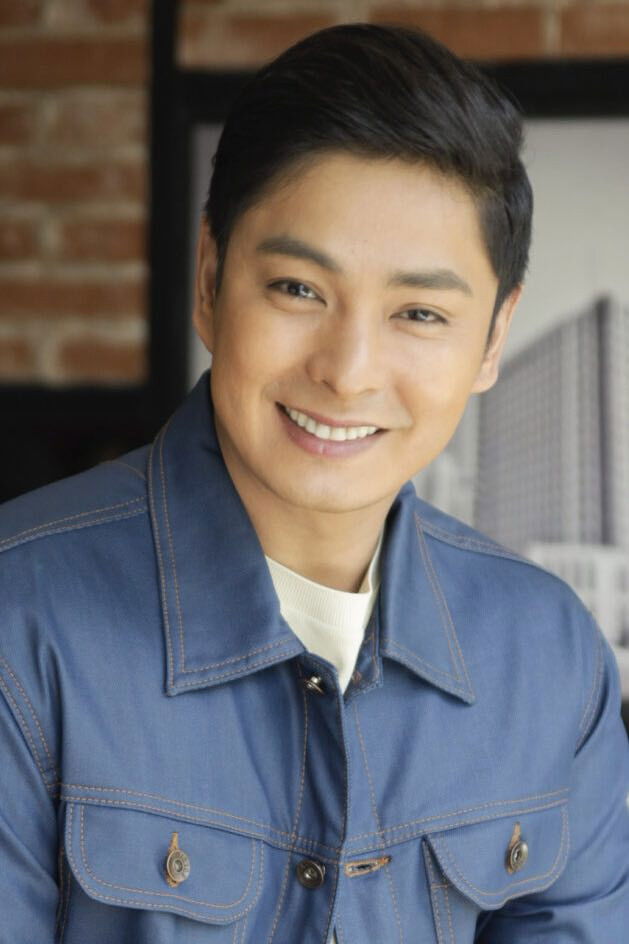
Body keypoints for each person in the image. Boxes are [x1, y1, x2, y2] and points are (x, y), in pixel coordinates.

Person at [0, 22, 627, 943]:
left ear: (492, 338)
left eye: (419, 313)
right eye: (298, 289)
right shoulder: (20, 622)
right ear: (210, 280)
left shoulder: (548, 655)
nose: (347, 371)